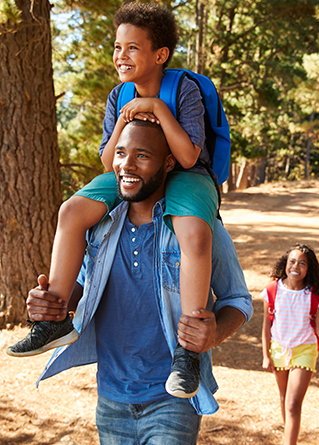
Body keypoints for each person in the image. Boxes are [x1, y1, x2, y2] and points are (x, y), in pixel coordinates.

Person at [8, 1, 218, 399]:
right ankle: (54, 316)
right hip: (130, 172)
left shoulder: (183, 89)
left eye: (133, 48)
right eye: (117, 47)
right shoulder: (118, 95)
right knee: (70, 211)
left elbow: (189, 155)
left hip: (187, 176)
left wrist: (155, 108)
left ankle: (187, 350)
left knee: (192, 233)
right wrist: (126, 116)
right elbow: (108, 162)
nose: (122, 56)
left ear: (160, 54)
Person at [24, 119, 253, 444]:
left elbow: (238, 300)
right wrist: (51, 304)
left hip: (173, 401)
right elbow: (85, 288)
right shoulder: (98, 226)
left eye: (142, 155)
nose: (126, 164)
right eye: (120, 153)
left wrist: (213, 333)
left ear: (168, 163)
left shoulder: (200, 230)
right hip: (111, 398)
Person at [262, 244, 319, 445]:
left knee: (293, 403)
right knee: (284, 398)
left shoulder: (315, 295)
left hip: (305, 349)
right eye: (292, 261)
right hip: (279, 348)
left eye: (302, 263)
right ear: (285, 264)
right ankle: (289, 436)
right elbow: (266, 325)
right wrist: (266, 355)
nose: (296, 266)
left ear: (309, 269)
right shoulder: (272, 290)